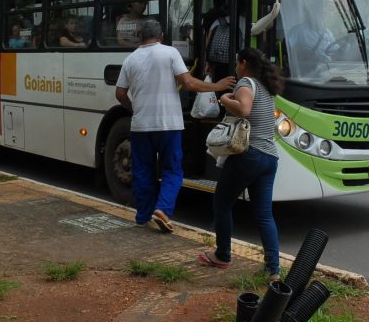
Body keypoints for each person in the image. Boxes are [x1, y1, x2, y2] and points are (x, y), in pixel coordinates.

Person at [115, 19, 235, 232]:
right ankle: (163, 208)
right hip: (169, 125)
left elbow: (120, 94)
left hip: (141, 126)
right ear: (161, 36)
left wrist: (134, 109)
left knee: (143, 171)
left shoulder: (130, 60)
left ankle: (143, 216)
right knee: (172, 170)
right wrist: (217, 85)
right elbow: (188, 83)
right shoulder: (169, 53)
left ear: (141, 38)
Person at [198, 48, 285, 282]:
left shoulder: (246, 83)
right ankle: (273, 270)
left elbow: (244, 110)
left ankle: (223, 255)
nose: (236, 68)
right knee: (265, 215)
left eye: (237, 63)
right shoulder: (268, 88)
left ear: (244, 63)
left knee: (222, 202)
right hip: (269, 158)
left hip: (249, 154)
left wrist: (225, 98)